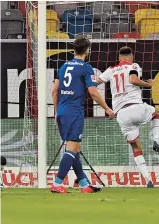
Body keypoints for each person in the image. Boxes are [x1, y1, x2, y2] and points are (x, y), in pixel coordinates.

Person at [51, 37, 115, 193]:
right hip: (74, 112)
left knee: (75, 149)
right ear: (87, 50)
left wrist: (56, 111)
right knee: (72, 148)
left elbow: (54, 91)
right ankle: (57, 183)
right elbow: (93, 92)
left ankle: (84, 184)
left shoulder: (64, 66)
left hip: (62, 111)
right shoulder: (86, 68)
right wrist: (107, 108)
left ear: (74, 50)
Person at [97, 46, 159, 188]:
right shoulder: (134, 66)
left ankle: (148, 180)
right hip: (135, 107)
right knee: (156, 114)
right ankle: (156, 140)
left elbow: (95, 82)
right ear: (131, 57)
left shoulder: (111, 69)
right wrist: (148, 84)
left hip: (121, 114)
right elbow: (133, 80)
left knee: (136, 147)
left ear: (119, 58)